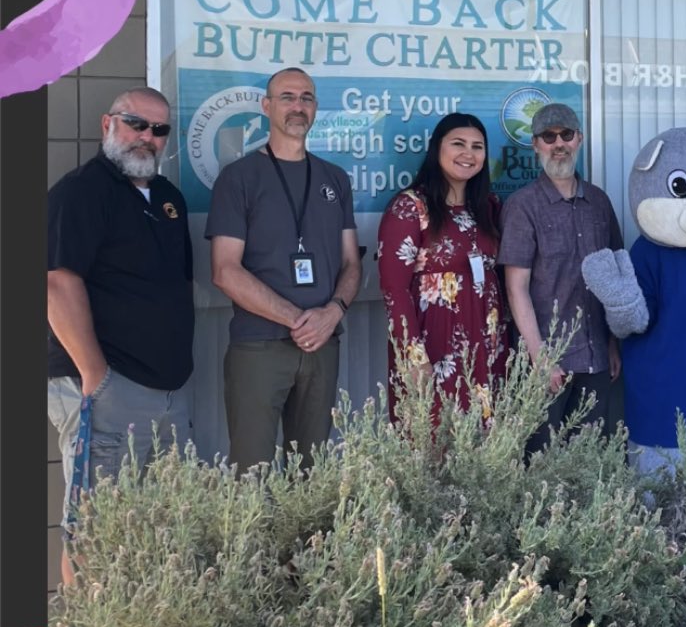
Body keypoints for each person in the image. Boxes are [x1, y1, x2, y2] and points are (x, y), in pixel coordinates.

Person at [47, 87, 194, 585]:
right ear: (107, 124)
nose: (147, 137)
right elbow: (58, 284)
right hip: (108, 387)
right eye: (136, 123)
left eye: (159, 129)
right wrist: (96, 376)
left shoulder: (168, 199)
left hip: (167, 391)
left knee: (160, 526)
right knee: (93, 529)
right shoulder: (81, 192)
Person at [207, 67, 361, 475]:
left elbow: (351, 262)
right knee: (251, 473)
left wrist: (332, 313)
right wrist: (298, 320)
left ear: (316, 108)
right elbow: (224, 270)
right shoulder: (238, 178)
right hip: (260, 345)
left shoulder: (334, 179)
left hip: (323, 345)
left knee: (312, 474)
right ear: (266, 106)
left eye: (306, 98)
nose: (298, 106)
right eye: (287, 97)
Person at [497, 103, 623, 451]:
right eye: (548, 137)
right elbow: (516, 288)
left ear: (579, 138)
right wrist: (541, 357)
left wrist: (612, 343)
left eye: (566, 134)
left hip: (596, 357)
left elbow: (615, 279)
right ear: (535, 144)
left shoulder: (599, 202)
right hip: (547, 362)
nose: (558, 144)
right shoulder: (523, 206)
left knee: (590, 458)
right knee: (542, 458)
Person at [376, 112, 507, 418]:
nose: (468, 153)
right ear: (437, 148)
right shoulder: (410, 207)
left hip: (488, 342)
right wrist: (412, 355)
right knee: (436, 429)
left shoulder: (489, 206)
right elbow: (394, 289)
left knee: (488, 434)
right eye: (458, 143)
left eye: (477, 146)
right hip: (434, 343)